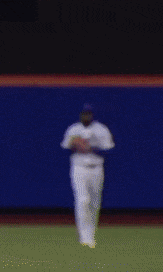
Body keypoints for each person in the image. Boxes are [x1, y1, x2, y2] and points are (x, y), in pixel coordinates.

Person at [60, 103, 114, 248]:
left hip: (96, 168)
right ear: (80, 115)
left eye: (88, 114)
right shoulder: (73, 129)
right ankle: (84, 237)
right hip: (79, 168)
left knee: (94, 203)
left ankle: (91, 235)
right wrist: (75, 144)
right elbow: (65, 148)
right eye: (84, 113)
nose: (86, 116)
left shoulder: (101, 129)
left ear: (92, 115)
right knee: (82, 200)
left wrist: (91, 148)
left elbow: (108, 151)